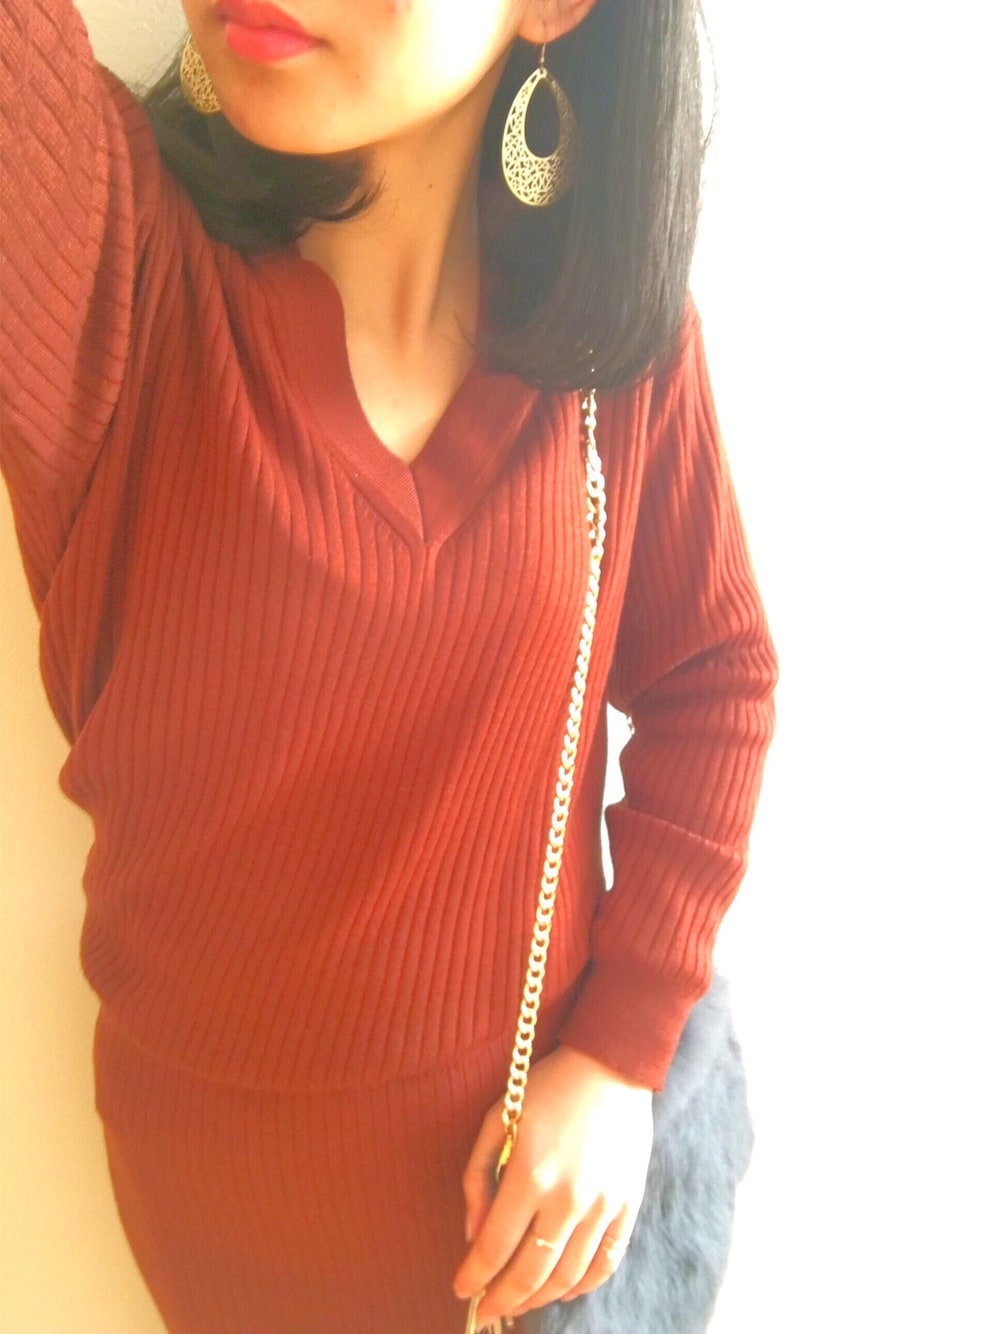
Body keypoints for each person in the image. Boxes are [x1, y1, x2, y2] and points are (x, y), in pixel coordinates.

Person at [0, 0, 778, 1330]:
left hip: (546, 1217)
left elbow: (715, 678)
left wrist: (620, 1055)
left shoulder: (603, 338)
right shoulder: (117, 275)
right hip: (233, 1225)